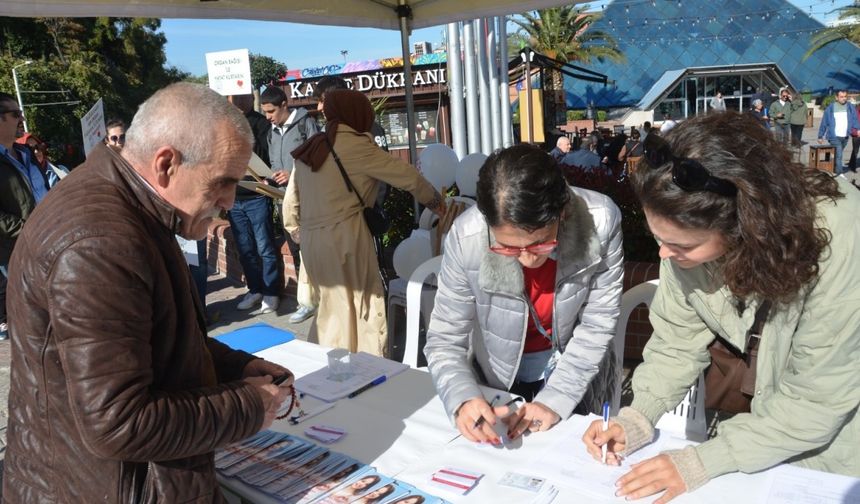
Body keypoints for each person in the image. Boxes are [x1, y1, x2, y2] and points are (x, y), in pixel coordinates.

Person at [2, 83, 294, 502]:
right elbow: (119, 423)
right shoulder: (99, 243)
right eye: (222, 183)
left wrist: (237, 368)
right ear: (166, 164)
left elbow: (154, 341)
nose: (229, 202)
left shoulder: (129, 205)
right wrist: (247, 406)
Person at [582, 111, 860, 503]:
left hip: (836, 457)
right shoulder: (685, 227)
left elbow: (818, 400)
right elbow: (675, 344)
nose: (664, 253)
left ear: (745, 224)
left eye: (681, 246)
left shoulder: (841, 237)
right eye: (658, 238)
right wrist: (638, 416)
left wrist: (703, 462)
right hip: (766, 437)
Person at [424, 143, 623, 445]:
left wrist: (555, 399)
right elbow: (445, 338)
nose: (527, 258)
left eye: (540, 244)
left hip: (578, 373)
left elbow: (597, 325)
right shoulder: (467, 238)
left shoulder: (601, 221)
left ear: (563, 213)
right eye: (508, 247)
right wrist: (463, 397)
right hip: (497, 378)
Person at [291, 89, 445, 356]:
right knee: (363, 307)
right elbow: (408, 176)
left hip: (312, 241)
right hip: (344, 236)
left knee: (331, 308)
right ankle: (365, 369)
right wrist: (438, 204)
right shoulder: (355, 145)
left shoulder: (312, 146)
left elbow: (292, 197)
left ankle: (326, 365)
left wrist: (294, 227)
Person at [259, 85, 321, 318]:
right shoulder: (271, 131)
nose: (268, 117)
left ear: (284, 105)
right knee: (295, 251)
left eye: (271, 111)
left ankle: (318, 299)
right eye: (265, 112)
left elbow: (318, 159)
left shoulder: (306, 124)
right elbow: (276, 164)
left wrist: (291, 172)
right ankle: (306, 300)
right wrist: (270, 179)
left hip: (307, 202)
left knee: (311, 251)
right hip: (283, 202)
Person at [0, 92, 47, 342]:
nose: (22, 118)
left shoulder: (27, 153)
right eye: (15, 114)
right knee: (35, 306)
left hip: (48, 237)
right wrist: (28, 229)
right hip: (16, 249)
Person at [818, 89, 860, 174]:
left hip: (845, 136)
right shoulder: (831, 108)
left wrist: (858, 129)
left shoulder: (850, 107)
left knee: (837, 154)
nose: (844, 98)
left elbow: (855, 118)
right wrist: (820, 136)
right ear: (836, 97)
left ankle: (832, 167)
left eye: (845, 97)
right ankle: (839, 174)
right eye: (841, 97)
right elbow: (824, 122)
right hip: (834, 136)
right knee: (839, 155)